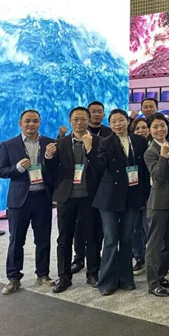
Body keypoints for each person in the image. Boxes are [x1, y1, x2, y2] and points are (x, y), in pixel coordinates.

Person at [91, 109, 149, 296]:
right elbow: (100, 166)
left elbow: (143, 170)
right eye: (113, 121)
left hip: (132, 196)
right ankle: (106, 281)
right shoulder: (105, 142)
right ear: (110, 124)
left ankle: (125, 278)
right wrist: (91, 152)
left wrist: (144, 195)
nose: (117, 124)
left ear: (127, 121)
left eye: (121, 120)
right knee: (110, 239)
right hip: (109, 197)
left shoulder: (139, 141)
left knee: (127, 239)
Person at [0, 110, 56, 294]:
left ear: (40, 123)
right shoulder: (8, 145)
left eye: (35, 121)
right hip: (19, 200)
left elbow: (56, 169)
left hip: (42, 198)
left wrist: (49, 158)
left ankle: (43, 274)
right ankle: (13, 278)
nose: (31, 124)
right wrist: (17, 168)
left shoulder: (49, 143)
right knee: (16, 240)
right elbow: (1, 171)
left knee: (43, 239)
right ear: (20, 123)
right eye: (27, 121)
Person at [45, 107, 101, 293]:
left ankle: (93, 273)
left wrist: (90, 149)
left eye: (83, 119)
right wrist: (48, 157)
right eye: (76, 119)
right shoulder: (60, 143)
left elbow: (101, 168)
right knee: (64, 238)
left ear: (88, 120)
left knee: (92, 236)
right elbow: (51, 170)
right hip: (66, 197)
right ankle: (64, 277)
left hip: (89, 196)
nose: (79, 122)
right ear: (70, 121)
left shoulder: (98, 141)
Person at [144, 113, 169, 297]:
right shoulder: (150, 152)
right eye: (155, 127)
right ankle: (153, 283)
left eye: (163, 126)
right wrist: (163, 156)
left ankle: (161, 276)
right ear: (150, 130)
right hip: (158, 203)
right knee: (154, 245)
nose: (160, 129)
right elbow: (158, 176)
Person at [71, 102, 110, 275]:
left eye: (99, 111)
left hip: (97, 189)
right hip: (75, 189)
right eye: (93, 111)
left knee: (95, 229)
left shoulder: (107, 134)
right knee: (78, 227)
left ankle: (94, 264)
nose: (96, 114)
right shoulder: (69, 138)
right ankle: (78, 257)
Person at [129, 117, 151, 276]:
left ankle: (154, 258)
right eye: (137, 128)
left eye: (144, 127)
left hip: (153, 193)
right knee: (136, 228)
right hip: (134, 192)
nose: (141, 131)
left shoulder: (157, 144)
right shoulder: (130, 146)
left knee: (150, 227)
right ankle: (139, 258)